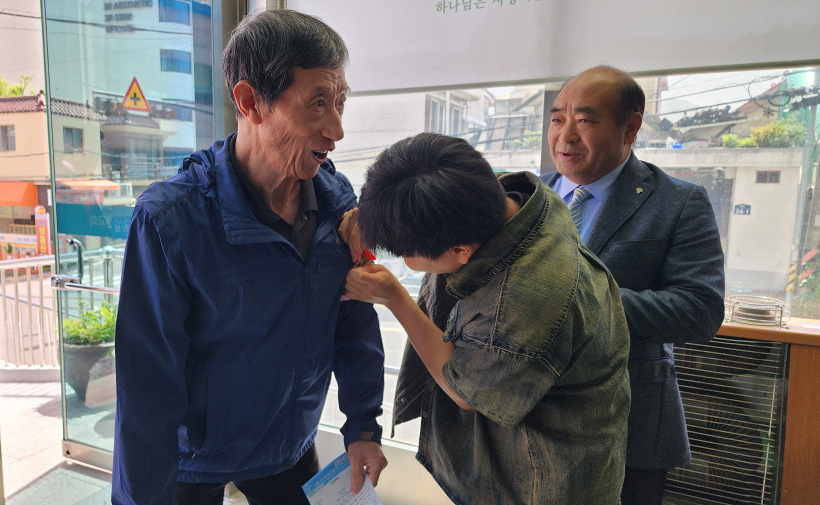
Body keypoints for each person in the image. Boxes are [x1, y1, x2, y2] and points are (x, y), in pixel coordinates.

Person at [111, 10, 387, 505]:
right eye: (317, 103)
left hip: (288, 447)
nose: (337, 129)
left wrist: (363, 425)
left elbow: (353, 322)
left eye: (340, 102)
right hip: (193, 459)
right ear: (250, 101)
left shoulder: (336, 204)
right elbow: (146, 386)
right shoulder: (171, 219)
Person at [342, 132, 630, 504]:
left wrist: (395, 299)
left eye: (406, 253)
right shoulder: (507, 202)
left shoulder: (525, 300)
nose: (403, 260)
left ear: (460, 250)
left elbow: (465, 391)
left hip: (542, 481)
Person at [541, 65, 726, 505]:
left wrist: (578, 301)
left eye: (584, 120)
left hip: (628, 425)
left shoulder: (678, 201)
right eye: (557, 119)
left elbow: (699, 310)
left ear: (631, 127)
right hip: (528, 416)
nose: (566, 136)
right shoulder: (524, 197)